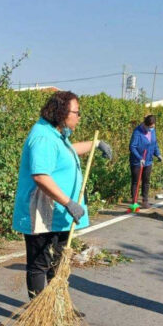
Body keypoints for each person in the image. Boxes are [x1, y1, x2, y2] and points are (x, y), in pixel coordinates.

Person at [12, 90, 112, 299]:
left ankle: (58, 309)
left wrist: (95, 144)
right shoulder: (43, 137)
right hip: (43, 213)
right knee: (40, 265)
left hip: (59, 215)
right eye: (77, 112)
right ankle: (39, 317)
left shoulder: (54, 134)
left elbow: (66, 152)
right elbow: (40, 176)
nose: (79, 116)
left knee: (59, 263)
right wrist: (69, 203)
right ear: (62, 113)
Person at [129, 114, 162, 208]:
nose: (151, 129)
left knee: (146, 181)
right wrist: (139, 158)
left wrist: (158, 154)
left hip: (148, 160)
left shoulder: (152, 131)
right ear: (146, 125)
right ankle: (134, 201)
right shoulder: (137, 132)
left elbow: (154, 143)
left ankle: (145, 200)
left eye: (153, 127)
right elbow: (132, 147)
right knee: (136, 181)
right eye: (150, 127)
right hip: (137, 161)